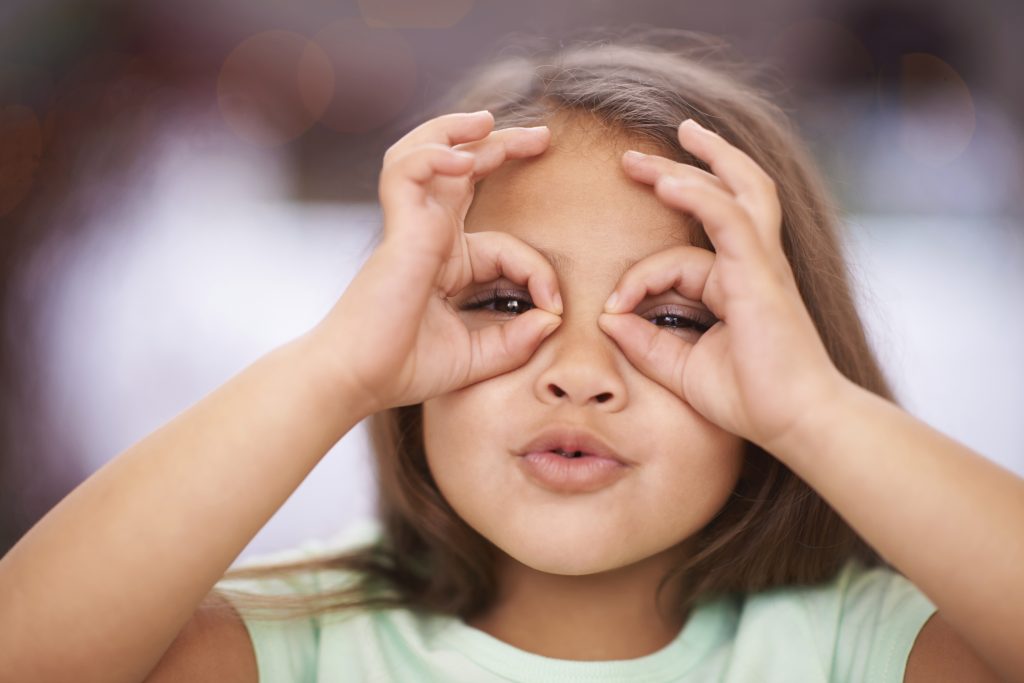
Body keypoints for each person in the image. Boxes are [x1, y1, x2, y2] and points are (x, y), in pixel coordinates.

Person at [1, 28, 1019, 683]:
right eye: (499, 300)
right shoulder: (300, 643)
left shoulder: (860, 649)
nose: (576, 371)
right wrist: (333, 368)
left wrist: (814, 410)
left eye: (670, 314)